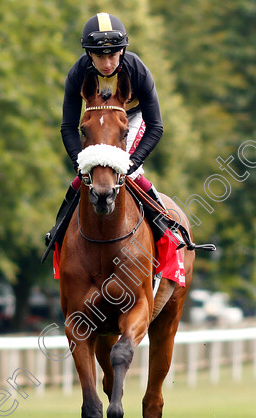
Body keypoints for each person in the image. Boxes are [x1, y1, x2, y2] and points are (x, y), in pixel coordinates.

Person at [45, 12, 184, 249]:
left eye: (112, 54)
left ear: (122, 51)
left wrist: (133, 161)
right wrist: (79, 161)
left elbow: (156, 126)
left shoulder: (137, 70)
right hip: (96, 120)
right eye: (99, 56)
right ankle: (58, 229)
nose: (107, 63)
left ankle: (165, 228)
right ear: (89, 54)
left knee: (127, 171)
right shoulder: (77, 73)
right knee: (87, 174)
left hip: (130, 119)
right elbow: (68, 126)